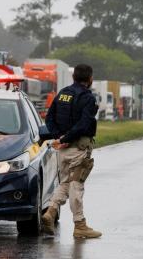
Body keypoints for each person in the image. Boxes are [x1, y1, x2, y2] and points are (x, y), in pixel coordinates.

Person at [41, 64, 102, 239]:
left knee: (65, 184)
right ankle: (80, 225)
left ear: (74, 77)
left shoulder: (62, 94)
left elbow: (49, 117)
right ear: (89, 79)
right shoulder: (88, 98)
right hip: (78, 149)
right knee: (76, 185)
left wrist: (59, 137)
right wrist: (65, 138)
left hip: (62, 150)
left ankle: (50, 212)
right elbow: (83, 124)